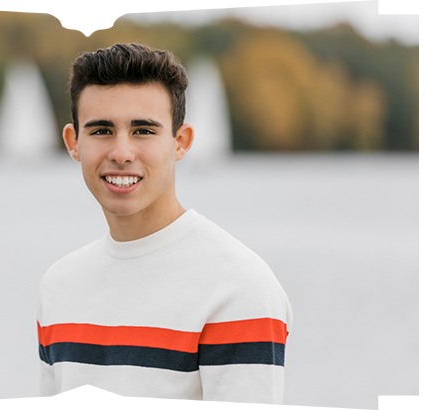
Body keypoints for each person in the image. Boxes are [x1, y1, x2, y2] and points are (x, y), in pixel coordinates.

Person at [36, 43, 292, 404]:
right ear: (73, 142)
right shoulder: (58, 286)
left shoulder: (237, 286)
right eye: (101, 131)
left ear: (181, 142)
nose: (122, 153)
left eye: (143, 131)